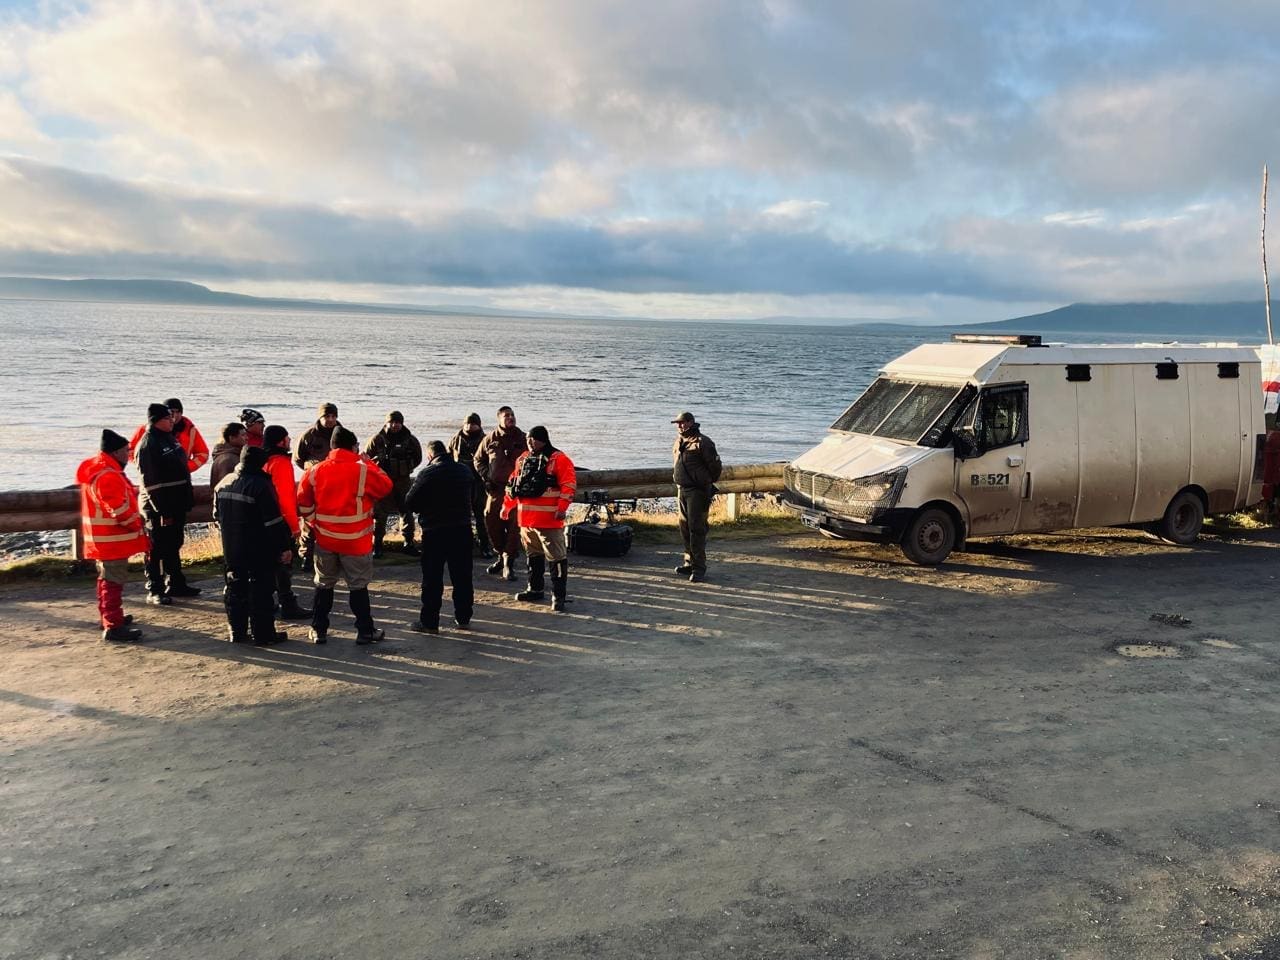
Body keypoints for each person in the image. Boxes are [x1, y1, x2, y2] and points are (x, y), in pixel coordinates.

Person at [296, 427, 393, 644]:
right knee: (358, 586)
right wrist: (368, 462)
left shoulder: (314, 471)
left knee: (324, 584)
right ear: (353, 447)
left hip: (326, 539)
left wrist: (314, 523)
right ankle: (365, 631)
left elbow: (303, 503)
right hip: (356, 540)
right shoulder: (363, 470)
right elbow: (386, 486)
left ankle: (318, 630)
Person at [214, 445, 292, 645]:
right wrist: (284, 547)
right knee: (262, 591)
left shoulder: (224, 483)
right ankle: (263, 634)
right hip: (259, 547)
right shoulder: (261, 485)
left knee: (235, 589)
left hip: (231, 547)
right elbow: (273, 522)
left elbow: (217, 516)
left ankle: (237, 632)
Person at [77, 429, 150, 642]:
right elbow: (119, 511)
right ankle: (113, 625)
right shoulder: (108, 475)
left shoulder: (98, 470)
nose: (128, 455)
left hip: (102, 538)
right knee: (113, 581)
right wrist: (137, 524)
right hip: (112, 539)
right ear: (116, 452)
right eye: (126, 451)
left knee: (106, 579)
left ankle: (109, 617)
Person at [502, 425, 577, 612]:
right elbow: (513, 485)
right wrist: (506, 507)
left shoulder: (559, 459)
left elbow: (568, 485)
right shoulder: (523, 459)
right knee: (533, 556)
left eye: (533, 439)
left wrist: (562, 508)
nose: (529, 442)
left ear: (543, 439)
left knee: (557, 558)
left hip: (549, 520)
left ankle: (558, 596)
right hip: (526, 520)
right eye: (528, 439)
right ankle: (535, 589)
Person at [404, 440, 475, 634]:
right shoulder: (464, 471)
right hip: (462, 528)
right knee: (462, 576)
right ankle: (463, 617)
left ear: (429, 456)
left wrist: (424, 508)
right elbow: (474, 495)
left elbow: (410, 502)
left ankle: (430, 621)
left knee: (432, 578)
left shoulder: (427, 473)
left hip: (435, 531)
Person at [135, 402, 199, 604]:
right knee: (157, 548)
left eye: (172, 417)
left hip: (176, 503)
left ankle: (176, 583)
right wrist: (162, 510)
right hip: (159, 508)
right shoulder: (148, 444)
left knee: (174, 544)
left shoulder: (168, 438)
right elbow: (150, 482)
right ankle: (155, 588)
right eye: (167, 418)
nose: (172, 421)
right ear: (156, 421)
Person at [262, 424, 311, 620]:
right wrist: (294, 527)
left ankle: (267, 601)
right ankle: (287, 603)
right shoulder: (281, 463)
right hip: (281, 521)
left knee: (269, 565)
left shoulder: (263, 460)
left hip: (265, 521)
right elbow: (284, 498)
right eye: (287, 437)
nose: (290, 440)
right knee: (283, 564)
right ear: (281, 441)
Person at [474, 405, 526, 581]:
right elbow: (478, 459)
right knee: (491, 520)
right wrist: (486, 478)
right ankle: (500, 555)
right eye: (506, 416)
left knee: (514, 527)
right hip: (495, 490)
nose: (510, 418)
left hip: (516, 492)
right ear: (499, 419)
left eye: (512, 415)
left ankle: (509, 563)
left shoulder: (523, 438)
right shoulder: (489, 439)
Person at [671, 411, 722, 583]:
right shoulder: (679, 440)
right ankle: (689, 563)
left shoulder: (703, 442)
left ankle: (699, 568)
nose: (680, 425)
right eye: (677, 423)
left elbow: (715, 468)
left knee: (697, 529)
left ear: (691, 422)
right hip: (682, 490)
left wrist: (704, 483)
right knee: (684, 528)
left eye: (683, 422)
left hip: (697, 491)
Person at [364, 411, 424, 557]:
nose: (395, 425)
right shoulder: (377, 440)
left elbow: (418, 458)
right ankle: (377, 545)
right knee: (380, 513)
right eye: (392, 422)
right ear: (386, 423)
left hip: (403, 481)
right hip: (382, 481)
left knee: (407, 511)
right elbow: (366, 458)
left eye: (398, 422)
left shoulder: (410, 440)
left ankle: (408, 542)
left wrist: (406, 468)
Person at [447, 412, 495, 558]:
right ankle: (462, 545)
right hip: (461, 483)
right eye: (467, 423)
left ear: (478, 425)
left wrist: (487, 479)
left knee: (481, 516)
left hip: (478, 482)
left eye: (473, 423)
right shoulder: (456, 439)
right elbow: (448, 457)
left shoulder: (486, 440)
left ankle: (485, 546)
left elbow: (491, 462)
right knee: (461, 516)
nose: (469, 426)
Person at [128, 397, 209, 473]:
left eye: (178, 412)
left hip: (181, 475)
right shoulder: (146, 430)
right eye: (172, 412)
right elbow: (130, 451)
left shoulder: (190, 430)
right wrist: (148, 466)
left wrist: (186, 467)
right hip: (154, 476)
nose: (175, 415)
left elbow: (203, 454)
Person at [209, 422, 247, 490]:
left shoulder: (228, 455)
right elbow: (226, 487)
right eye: (243, 435)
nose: (247, 438)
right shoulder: (228, 460)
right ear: (231, 438)